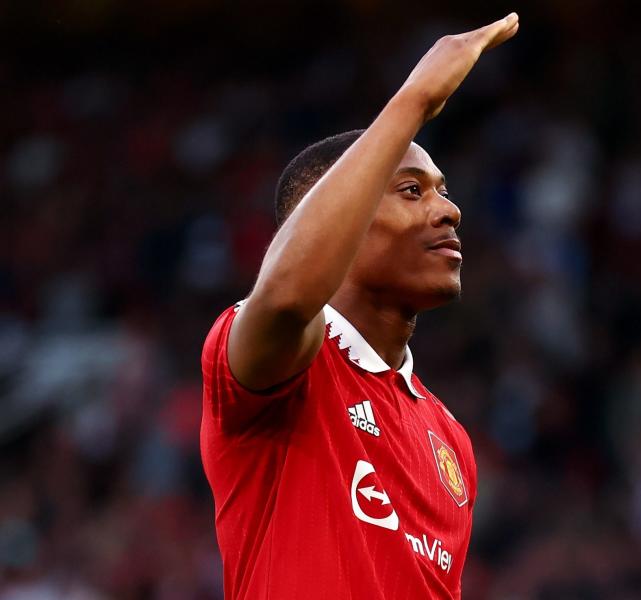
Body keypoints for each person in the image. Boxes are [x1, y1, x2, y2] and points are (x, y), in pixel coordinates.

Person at [199, 13, 520, 600]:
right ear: (340, 220)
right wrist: (414, 101)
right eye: (410, 190)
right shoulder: (277, 358)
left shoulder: (450, 440)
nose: (449, 210)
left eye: (443, 191)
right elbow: (291, 295)